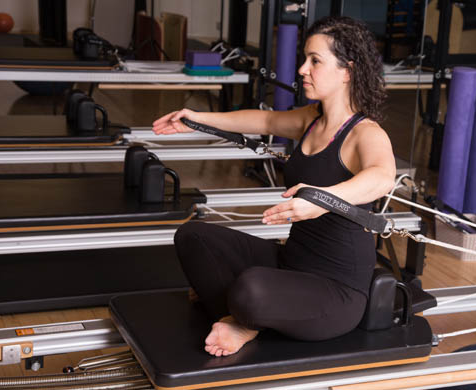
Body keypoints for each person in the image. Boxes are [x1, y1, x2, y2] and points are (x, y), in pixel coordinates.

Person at [152, 16, 396, 357]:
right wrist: (196, 119)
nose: (301, 69)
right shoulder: (312, 119)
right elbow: (264, 120)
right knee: (193, 237)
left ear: (347, 71)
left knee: (251, 289)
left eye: (315, 61)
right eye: (304, 59)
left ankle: (245, 319)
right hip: (290, 262)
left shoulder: (365, 133)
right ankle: (237, 315)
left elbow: (382, 177)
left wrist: (323, 200)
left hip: (337, 292)